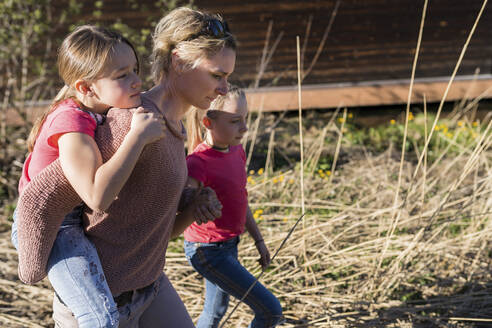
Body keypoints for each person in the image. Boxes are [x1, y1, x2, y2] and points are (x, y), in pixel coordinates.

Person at [15, 6, 235, 327]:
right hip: (101, 300)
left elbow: (146, 229)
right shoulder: (129, 122)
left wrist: (191, 209)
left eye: (227, 77)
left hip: (149, 286)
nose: (225, 89)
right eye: (217, 75)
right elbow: (52, 197)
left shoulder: (174, 128)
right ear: (178, 63)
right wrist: (31, 261)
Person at [11, 25, 166, 327]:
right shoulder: (70, 123)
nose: (137, 81)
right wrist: (136, 137)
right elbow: (96, 196)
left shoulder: (98, 110)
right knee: (100, 318)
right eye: (122, 75)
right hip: (53, 225)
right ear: (85, 87)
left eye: (135, 69)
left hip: (73, 221)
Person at [183, 85, 284, 328]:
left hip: (229, 244)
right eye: (235, 121)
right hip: (207, 250)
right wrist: (196, 198)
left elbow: (240, 199)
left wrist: (259, 240)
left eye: (246, 119)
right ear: (208, 122)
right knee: (270, 311)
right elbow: (183, 204)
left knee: (216, 310)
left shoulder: (237, 151)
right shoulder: (198, 162)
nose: (245, 128)